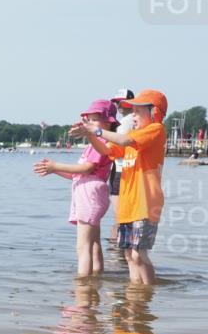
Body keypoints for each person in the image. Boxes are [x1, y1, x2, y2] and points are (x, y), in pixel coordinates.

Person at [71, 89, 168, 285]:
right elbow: (107, 150)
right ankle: (135, 296)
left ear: (155, 112)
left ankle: (147, 293)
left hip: (146, 204)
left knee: (138, 254)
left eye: (138, 110)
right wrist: (90, 135)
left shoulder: (155, 130)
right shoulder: (134, 134)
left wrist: (95, 130)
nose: (133, 115)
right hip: (128, 205)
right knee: (129, 256)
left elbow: (124, 140)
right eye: (132, 110)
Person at [35, 100, 116, 277]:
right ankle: (95, 278)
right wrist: (54, 170)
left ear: (108, 122)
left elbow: (87, 169)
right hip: (92, 191)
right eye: (90, 120)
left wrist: (56, 165)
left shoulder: (101, 141)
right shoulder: (95, 143)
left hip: (90, 193)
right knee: (93, 243)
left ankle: (83, 285)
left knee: (83, 245)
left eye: (96, 120)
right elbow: (78, 174)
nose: (91, 123)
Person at [106, 89, 136, 242]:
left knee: (119, 214)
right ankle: (120, 250)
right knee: (123, 214)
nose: (118, 105)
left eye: (121, 102)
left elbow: (119, 143)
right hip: (126, 168)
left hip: (120, 169)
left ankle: (117, 250)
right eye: (116, 102)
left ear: (131, 102)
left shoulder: (128, 120)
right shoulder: (134, 119)